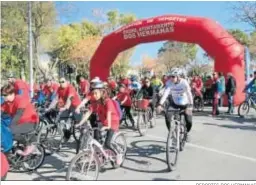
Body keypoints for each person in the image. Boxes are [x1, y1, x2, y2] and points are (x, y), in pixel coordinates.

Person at [75, 82, 122, 165]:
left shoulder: (108, 101)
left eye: (96, 93)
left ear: (102, 92)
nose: (94, 95)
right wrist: (80, 123)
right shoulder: (96, 103)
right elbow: (89, 112)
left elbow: (109, 114)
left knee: (107, 143)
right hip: (103, 122)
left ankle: (118, 154)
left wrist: (108, 126)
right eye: (93, 93)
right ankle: (101, 156)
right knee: (96, 138)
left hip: (112, 122)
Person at [1, 84, 39, 156]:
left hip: (30, 122)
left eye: (5, 95)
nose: (3, 97)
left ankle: (29, 145)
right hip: (19, 123)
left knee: (10, 131)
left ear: (12, 94)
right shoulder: (6, 103)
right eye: (2, 95)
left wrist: (10, 127)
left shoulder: (20, 99)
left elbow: (18, 115)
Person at [156, 68, 193, 133]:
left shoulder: (184, 82)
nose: (171, 78)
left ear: (178, 76)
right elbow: (165, 94)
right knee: (167, 116)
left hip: (186, 104)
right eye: (170, 76)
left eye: (173, 76)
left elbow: (189, 94)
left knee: (189, 121)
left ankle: (187, 132)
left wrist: (190, 105)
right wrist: (160, 104)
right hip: (174, 104)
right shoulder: (169, 83)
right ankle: (171, 133)